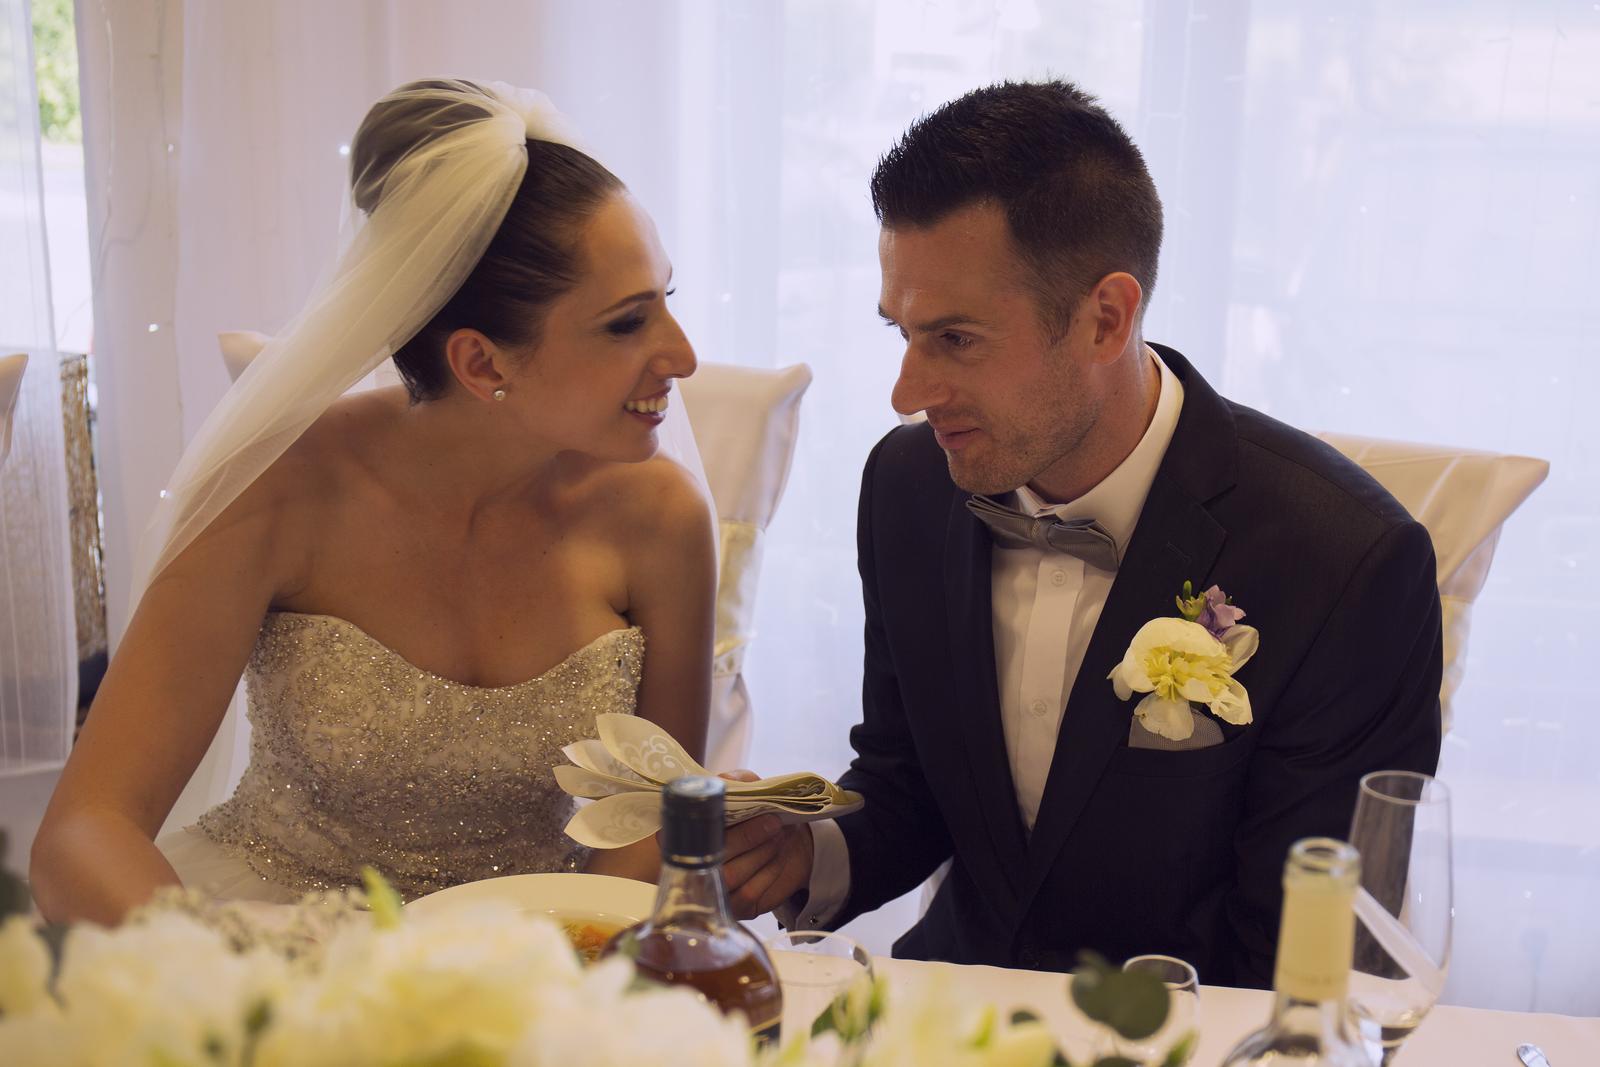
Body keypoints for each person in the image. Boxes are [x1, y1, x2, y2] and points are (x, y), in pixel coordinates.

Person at [721, 80, 1442, 988]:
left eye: (956, 339)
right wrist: (803, 850)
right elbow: (914, 781)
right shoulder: (908, 488)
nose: (908, 392)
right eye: (902, 333)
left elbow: (1307, 959)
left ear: (1106, 319)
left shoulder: (1345, 562)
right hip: (950, 1013)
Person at [30, 80, 716, 924]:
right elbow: (83, 830)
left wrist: (568, 974)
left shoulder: (662, 520)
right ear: (483, 363)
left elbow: (648, 825)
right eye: (626, 323)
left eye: (667, 301)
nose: (683, 356)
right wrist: (245, 981)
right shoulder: (276, 486)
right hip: (282, 931)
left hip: (541, 947)